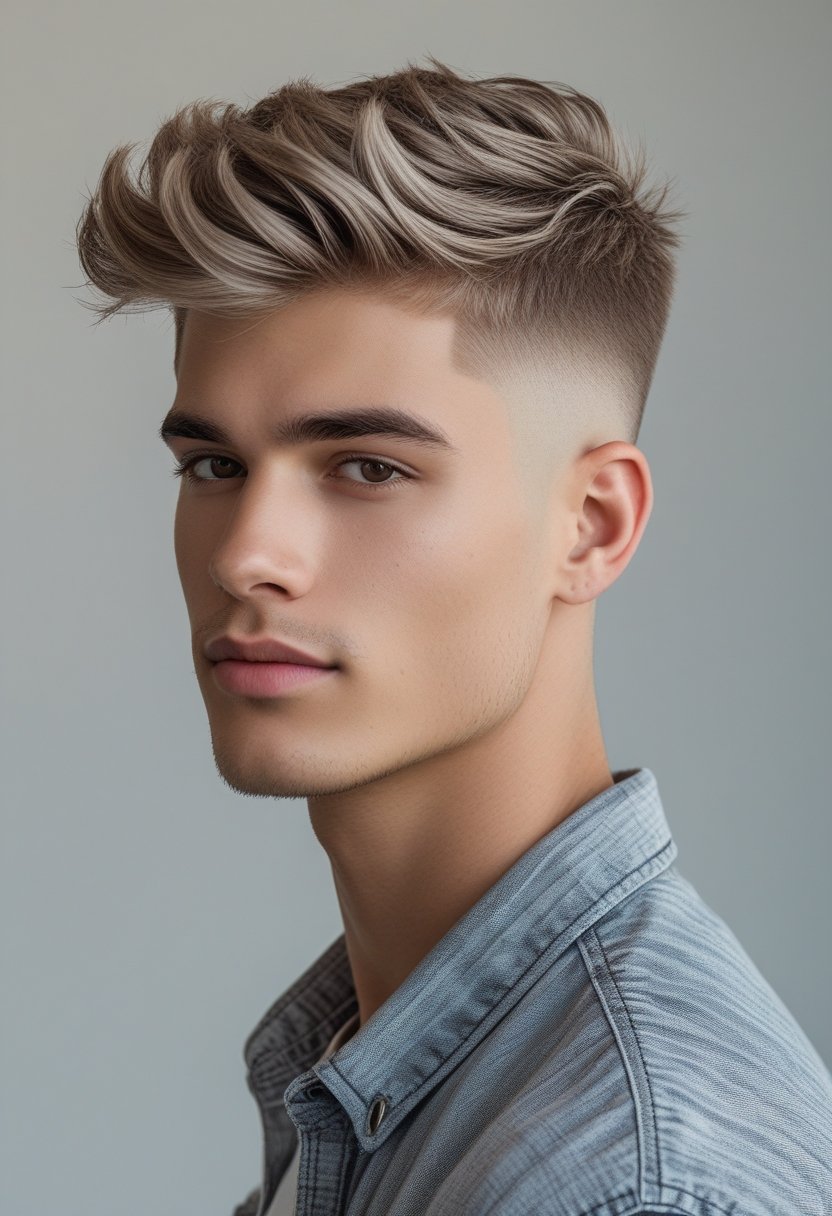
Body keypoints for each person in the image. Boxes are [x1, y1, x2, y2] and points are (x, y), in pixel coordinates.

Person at [75, 56, 832, 1216]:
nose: (246, 554)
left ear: (591, 524)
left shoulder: (634, 1183)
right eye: (215, 465)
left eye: (366, 467)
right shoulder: (380, 1056)